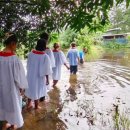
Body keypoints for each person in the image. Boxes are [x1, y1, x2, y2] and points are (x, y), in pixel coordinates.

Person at [0, 34, 28, 130]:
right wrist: (22, 87)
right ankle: (12, 125)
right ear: (12, 44)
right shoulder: (14, 59)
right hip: (11, 89)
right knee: (13, 105)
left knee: (2, 104)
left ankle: (5, 124)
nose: (16, 47)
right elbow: (19, 77)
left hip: (1, 88)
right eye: (16, 45)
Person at [25, 39, 52, 109]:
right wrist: (47, 79)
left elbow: (27, 65)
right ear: (44, 46)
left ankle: (29, 104)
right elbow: (47, 70)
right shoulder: (45, 56)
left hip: (30, 75)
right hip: (39, 77)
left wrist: (29, 72)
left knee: (30, 88)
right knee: (37, 90)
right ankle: (36, 106)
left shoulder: (30, 54)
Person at [39, 32, 55, 101]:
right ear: (47, 39)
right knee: (44, 85)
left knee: (37, 85)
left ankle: (36, 100)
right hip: (45, 71)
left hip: (36, 70)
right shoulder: (48, 51)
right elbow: (50, 64)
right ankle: (41, 99)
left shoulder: (35, 50)